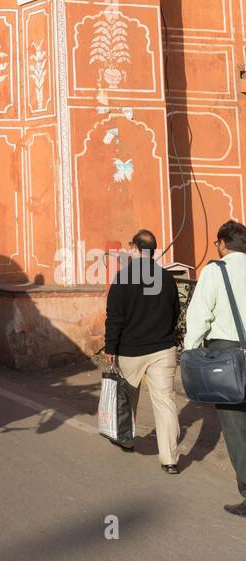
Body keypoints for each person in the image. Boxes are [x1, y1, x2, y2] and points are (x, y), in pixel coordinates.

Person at [103, 229, 181, 472]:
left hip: (131, 350)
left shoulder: (123, 278)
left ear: (137, 249)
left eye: (130, 247)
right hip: (162, 348)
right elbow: (176, 312)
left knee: (127, 397)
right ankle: (170, 460)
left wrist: (110, 348)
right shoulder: (165, 278)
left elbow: (115, 318)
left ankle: (126, 438)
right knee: (165, 402)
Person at [184, 220, 246, 517]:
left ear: (222, 243)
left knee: (236, 429)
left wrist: (189, 351)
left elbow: (199, 316)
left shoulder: (214, 271)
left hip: (227, 355)